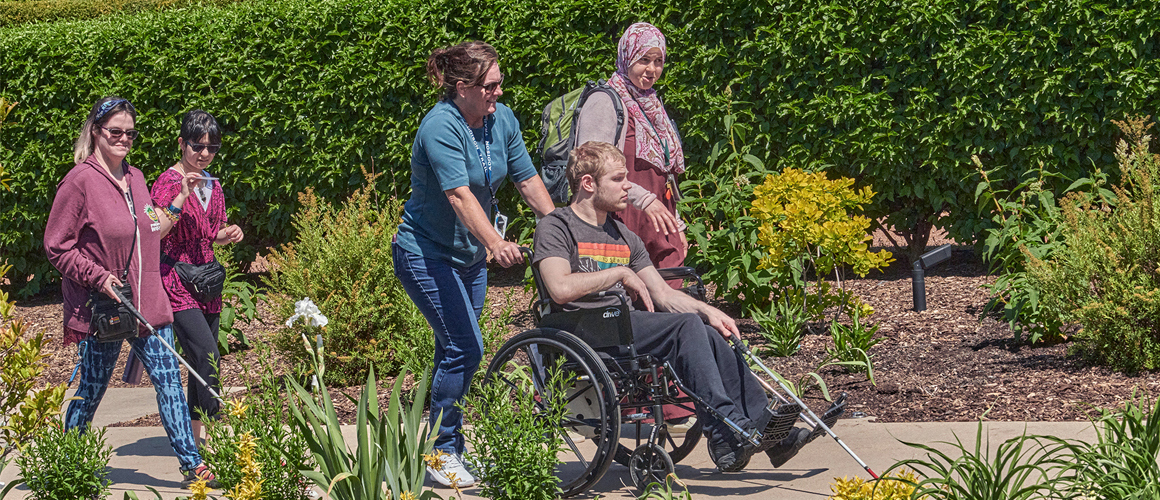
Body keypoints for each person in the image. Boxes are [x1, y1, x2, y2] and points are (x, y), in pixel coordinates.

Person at [533, 141, 818, 472]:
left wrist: (709, 311)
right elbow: (559, 288)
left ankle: (770, 434)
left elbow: (663, 295)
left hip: (623, 326)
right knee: (684, 327)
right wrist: (620, 273)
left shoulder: (623, 234)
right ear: (587, 184)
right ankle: (726, 426)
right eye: (618, 179)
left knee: (706, 329)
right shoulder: (556, 226)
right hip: (583, 329)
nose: (628, 185)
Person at [393, 41, 555, 488]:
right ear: (462, 87)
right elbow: (458, 195)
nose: (499, 92)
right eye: (490, 85)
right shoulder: (440, 126)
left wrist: (565, 228)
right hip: (425, 254)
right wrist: (496, 242)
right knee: (467, 349)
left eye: (500, 83)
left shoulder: (501, 120)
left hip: (468, 258)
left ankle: (449, 451)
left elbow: (526, 179)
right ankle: (441, 453)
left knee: (454, 351)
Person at [43, 96, 219, 488]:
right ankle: (68, 462)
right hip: (103, 306)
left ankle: (192, 464)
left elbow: (151, 228)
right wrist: (98, 276)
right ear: (96, 132)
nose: (124, 138)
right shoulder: (79, 182)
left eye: (130, 133)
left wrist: (178, 200)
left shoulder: (136, 178)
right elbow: (57, 246)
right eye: (115, 131)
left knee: (169, 380)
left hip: (147, 303)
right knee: (91, 389)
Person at [151, 109, 243, 446]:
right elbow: (157, 231)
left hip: (206, 280)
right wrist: (181, 196)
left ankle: (197, 439)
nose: (204, 154)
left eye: (212, 148)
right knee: (207, 356)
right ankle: (217, 436)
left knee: (200, 361)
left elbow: (210, 233)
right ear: (181, 143)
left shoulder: (213, 184)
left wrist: (228, 233)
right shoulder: (167, 182)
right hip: (175, 279)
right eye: (196, 146)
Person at [574, 22, 688, 281]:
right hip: (622, 221)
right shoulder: (605, 101)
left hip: (658, 220)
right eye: (644, 59)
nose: (652, 69)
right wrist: (643, 199)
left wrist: (676, 221)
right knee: (630, 300)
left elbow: (664, 173)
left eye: (658, 61)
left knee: (671, 291)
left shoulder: (652, 104)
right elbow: (589, 163)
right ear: (627, 57)